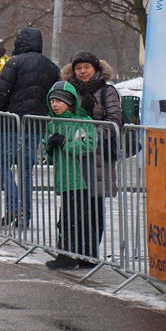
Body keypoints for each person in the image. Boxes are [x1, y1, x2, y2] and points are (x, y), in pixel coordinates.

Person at [0, 27, 60, 227]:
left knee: (2, 164)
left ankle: (14, 206)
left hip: (11, 123)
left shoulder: (14, 62)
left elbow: (1, 92)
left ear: (20, 42)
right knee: (26, 170)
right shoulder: (52, 67)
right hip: (36, 125)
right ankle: (25, 215)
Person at [61, 51, 122, 259]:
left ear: (96, 69)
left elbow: (114, 121)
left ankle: (90, 253)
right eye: (78, 68)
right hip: (73, 155)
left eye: (86, 67)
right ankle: (70, 251)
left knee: (93, 206)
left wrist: (89, 137)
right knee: (73, 204)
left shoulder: (107, 91)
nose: (82, 71)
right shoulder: (70, 90)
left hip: (98, 156)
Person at [43, 81, 96, 270]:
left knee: (72, 220)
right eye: (52, 101)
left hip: (80, 179)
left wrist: (65, 143)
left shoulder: (83, 122)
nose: (55, 104)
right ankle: (82, 256)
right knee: (70, 219)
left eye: (59, 101)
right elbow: (49, 157)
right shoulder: (52, 124)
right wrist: (49, 148)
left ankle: (71, 256)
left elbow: (88, 146)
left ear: (70, 102)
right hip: (63, 179)